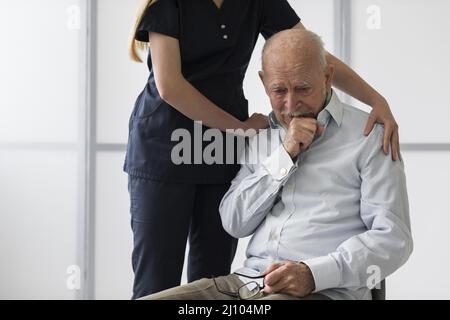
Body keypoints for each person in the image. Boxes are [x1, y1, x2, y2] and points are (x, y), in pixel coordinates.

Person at [125, 0, 401, 299]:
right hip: (167, 145)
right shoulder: (170, 5)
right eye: (280, 90)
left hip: (222, 148)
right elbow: (170, 87)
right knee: (156, 280)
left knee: (211, 270)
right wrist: (240, 129)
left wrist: (375, 99)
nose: (291, 102)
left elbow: (311, 56)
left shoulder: (259, 2)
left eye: (302, 90)